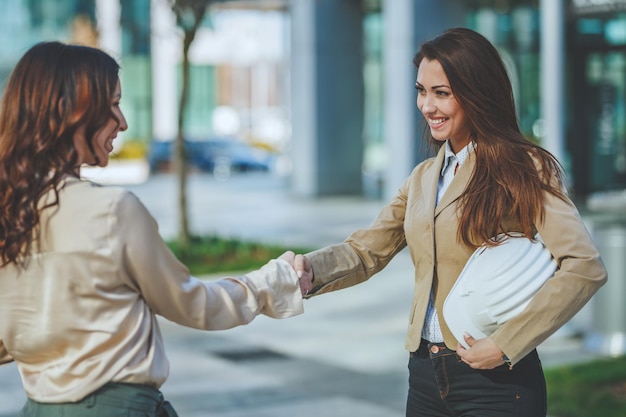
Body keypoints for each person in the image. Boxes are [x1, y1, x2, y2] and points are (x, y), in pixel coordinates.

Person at [293, 27, 607, 417]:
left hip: (497, 381)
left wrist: (507, 344)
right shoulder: (424, 177)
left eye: (441, 93)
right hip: (425, 374)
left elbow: (584, 266)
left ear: (477, 92)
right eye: (421, 91)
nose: (427, 106)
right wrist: (310, 268)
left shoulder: (524, 167)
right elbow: (365, 251)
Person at [0, 41, 305, 417]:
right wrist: (274, 280)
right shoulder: (111, 212)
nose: (122, 122)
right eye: (112, 104)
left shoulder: (8, 212)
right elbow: (193, 305)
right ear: (70, 111)